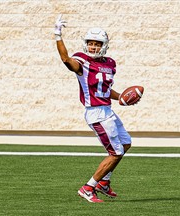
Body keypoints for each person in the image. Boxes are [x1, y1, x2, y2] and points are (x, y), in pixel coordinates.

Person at [54, 14, 132, 203]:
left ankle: (104, 182)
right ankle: (88, 188)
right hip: (96, 113)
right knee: (116, 152)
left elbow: (104, 89)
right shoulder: (82, 61)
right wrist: (58, 36)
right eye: (90, 43)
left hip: (108, 110)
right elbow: (66, 60)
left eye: (97, 44)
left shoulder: (110, 63)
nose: (93, 47)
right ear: (85, 44)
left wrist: (120, 96)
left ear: (104, 45)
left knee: (126, 144)